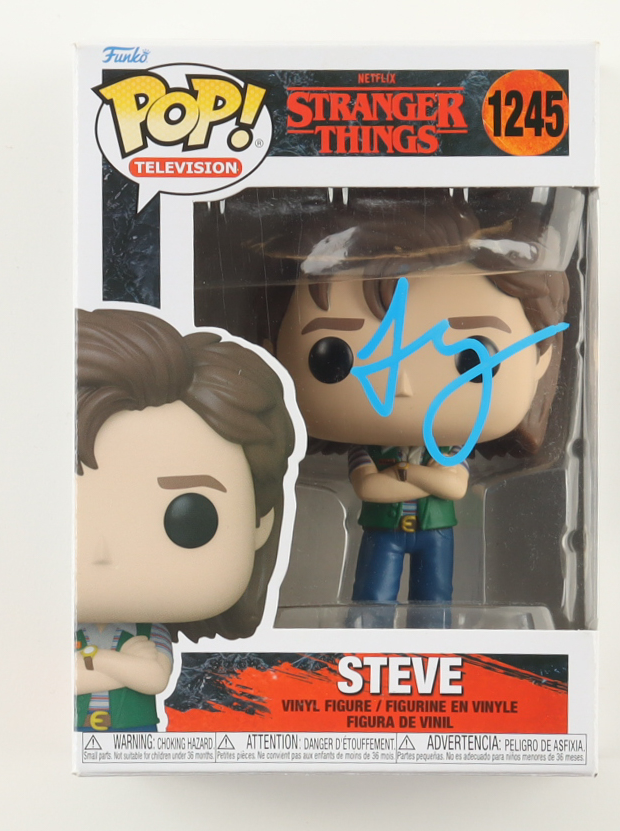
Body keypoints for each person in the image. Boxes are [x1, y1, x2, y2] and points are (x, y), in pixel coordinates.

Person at [196, 189, 570, 619]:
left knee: (435, 600)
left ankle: (431, 638)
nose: (401, 384)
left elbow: (454, 488)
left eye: (474, 357)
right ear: (271, 353)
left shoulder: (450, 448)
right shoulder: (424, 453)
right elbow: (371, 488)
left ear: (541, 356)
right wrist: (425, 478)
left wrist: (403, 475)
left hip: (432, 532)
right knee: (371, 598)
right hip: (385, 531)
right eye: (333, 357)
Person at [75, 308, 295, 731]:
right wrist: (116, 664)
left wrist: (88, 664)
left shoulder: (150, 628)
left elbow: (156, 678)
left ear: (260, 521)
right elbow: (55, 681)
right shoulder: (52, 630)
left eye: (189, 518)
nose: (102, 553)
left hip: (136, 740)